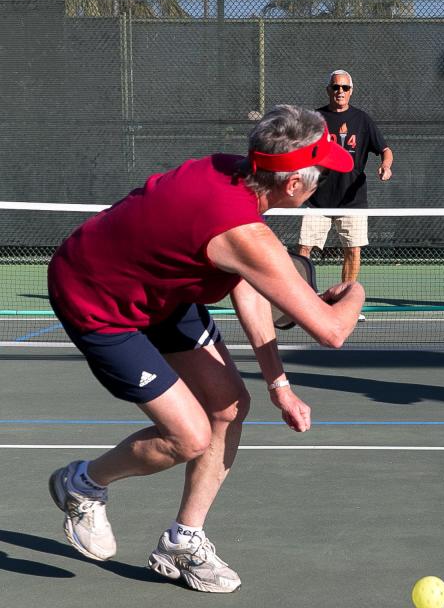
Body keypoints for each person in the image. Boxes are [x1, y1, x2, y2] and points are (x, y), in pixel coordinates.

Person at [46, 105, 363, 592]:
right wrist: (354, 290)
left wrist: (278, 384)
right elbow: (331, 331)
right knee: (190, 437)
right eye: (320, 173)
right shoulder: (242, 231)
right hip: (98, 300)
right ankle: (83, 484)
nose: (324, 181)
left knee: (231, 405)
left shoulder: (236, 175)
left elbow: (246, 284)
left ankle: (182, 541)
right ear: (294, 185)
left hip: (162, 293)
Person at [298, 69, 393, 321]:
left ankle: (346, 303)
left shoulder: (362, 120)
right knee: (303, 249)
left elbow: (385, 149)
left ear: (352, 91)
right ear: (328, 90)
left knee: (352, 250)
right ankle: (302, 301)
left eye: (345, 88)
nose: (340, 91)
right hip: (316, 199)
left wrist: (386, 165)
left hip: (353, 200)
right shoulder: (315, 119)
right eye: (335, 87)